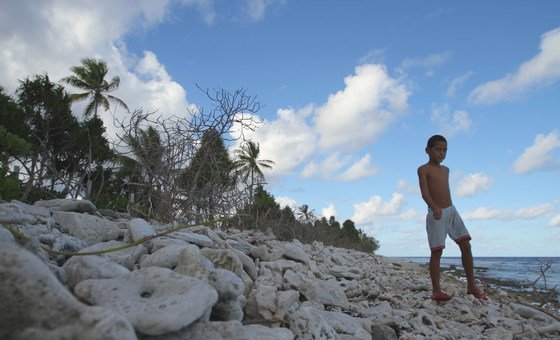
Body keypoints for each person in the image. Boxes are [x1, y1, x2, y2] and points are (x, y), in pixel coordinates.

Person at [417, 134, 488, 301]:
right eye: (438, 149)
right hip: (436, 213)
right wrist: (434, 207)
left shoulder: (446, 170)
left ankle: (471, 285)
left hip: (451, 210)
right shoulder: (423, 169)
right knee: (437, 251)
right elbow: (424, 193)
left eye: (445, 150)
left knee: (465, 244)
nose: (442, 153)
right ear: (428, 150)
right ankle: (436, 290)